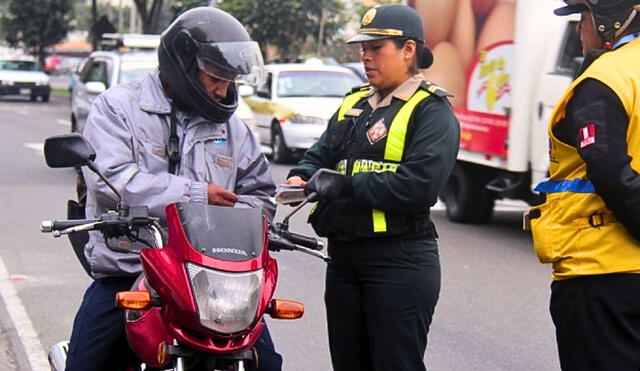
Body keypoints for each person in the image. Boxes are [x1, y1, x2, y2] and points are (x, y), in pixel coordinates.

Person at [65, 7, 282, 371]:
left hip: (211, 283)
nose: (223, 89)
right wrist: (198, 195)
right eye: (216, 76)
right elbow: (114, 183)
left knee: (267, 363)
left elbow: (261, 194)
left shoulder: (233, 129)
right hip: (131, 269)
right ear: (181, 65)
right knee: (87, 363)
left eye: (230, 80)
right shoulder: (118, 108)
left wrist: (249, 214)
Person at [284, 4, 460, 370]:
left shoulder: (432, 111)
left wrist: (345, 185)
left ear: (408, 50)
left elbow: (420, 187)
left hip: (398, 259)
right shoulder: (354, 102)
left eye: (376, 47)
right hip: (343, 257)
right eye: (362, 48)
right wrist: (302, 175)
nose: (365, 56)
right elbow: (320, 153)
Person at [529, 1, 640, 370]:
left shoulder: (605, 79)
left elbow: (611, 174)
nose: (580, 29)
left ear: (614, 21)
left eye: (585, 18)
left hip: (601, 274)